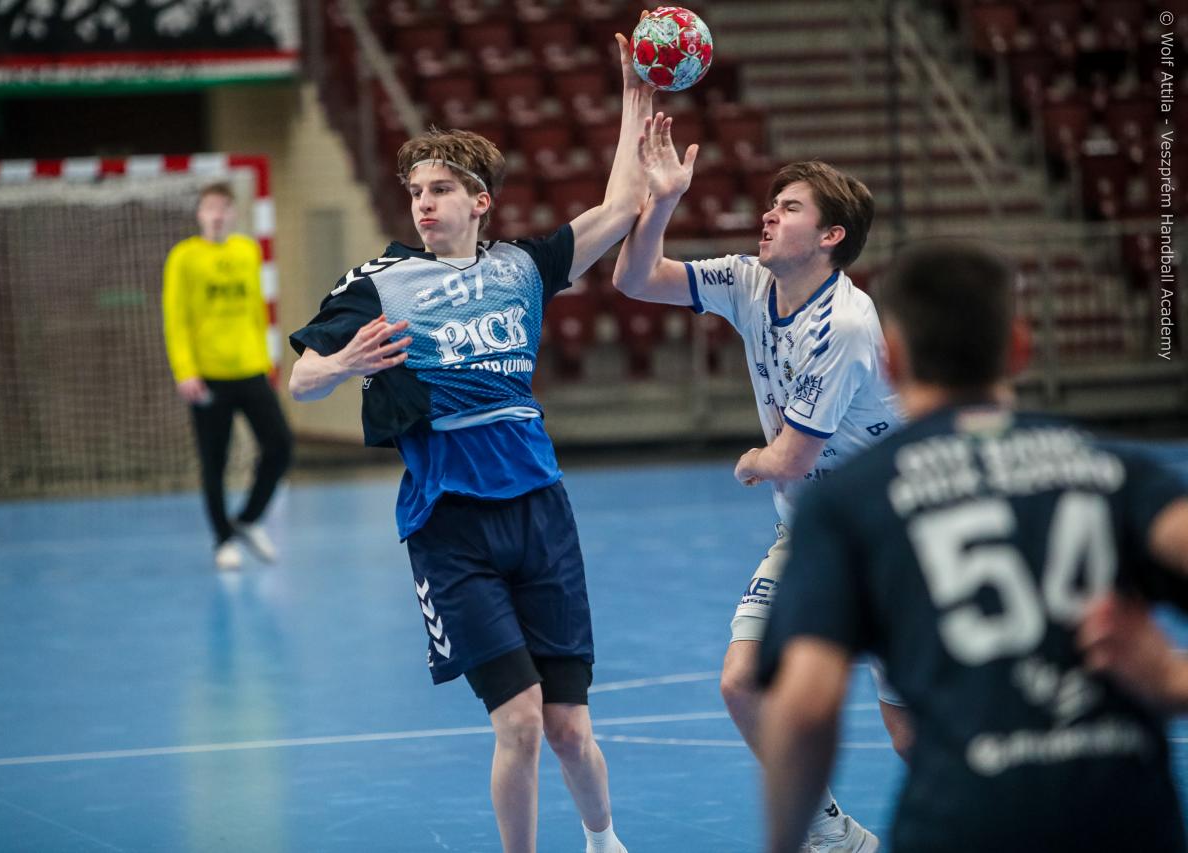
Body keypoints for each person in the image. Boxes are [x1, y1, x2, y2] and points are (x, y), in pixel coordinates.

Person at [287, 35, 651, 853]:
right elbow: (302, 380)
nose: (424, 203)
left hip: (540, 512)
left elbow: (622, 206)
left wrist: (635, 97)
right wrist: (342, 363)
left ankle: (603, 841)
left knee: (568, 727)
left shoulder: (524, 267)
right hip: (450, 524)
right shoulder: (380, 283)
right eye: (416, 190)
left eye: (442, 188)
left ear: (480, 200)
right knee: (518, 720)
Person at [756, 239, 1188, 853]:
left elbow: (805, 706)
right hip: (1122, 819)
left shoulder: (851, 501)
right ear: (1019, 348)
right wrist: (1171, 680)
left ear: (891, 358)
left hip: (961, 820)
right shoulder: (1118, 472)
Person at [612, 124, 900, 850]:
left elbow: (791, 458)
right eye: (773, 203)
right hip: (812, 533)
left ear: (831, 236)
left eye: (790, 207)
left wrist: (750, 460)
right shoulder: (749, 281)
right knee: (742, 682)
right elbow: (635, 280)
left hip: (891, 536)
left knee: (909, 734)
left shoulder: (845, 323)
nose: (768, 214)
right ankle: (832, 834)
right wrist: (663, 200)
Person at [162, 182, 293, 571]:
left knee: (280, 445)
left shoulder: (247, 251)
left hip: (251, 370)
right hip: (208, 377)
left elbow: (257, 311)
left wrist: (267, 362)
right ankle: (222, 540)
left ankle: (249, 520)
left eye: (223, 208)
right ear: (200, 214)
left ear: (234, 213)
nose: (217, 215)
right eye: (210, 208)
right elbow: (175, 319)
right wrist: (185, 371)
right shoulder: (183, 257)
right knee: (214, 461)